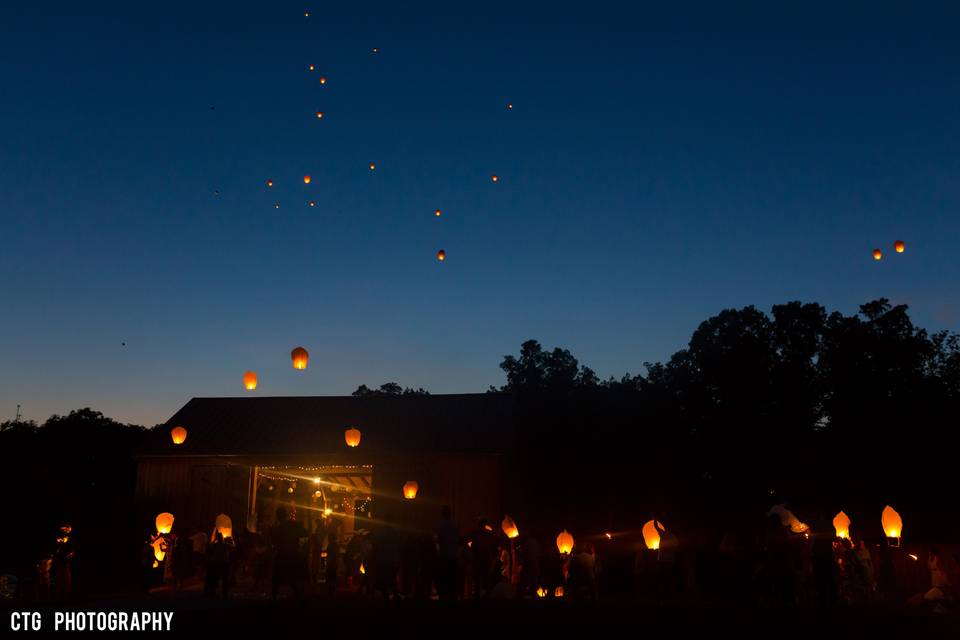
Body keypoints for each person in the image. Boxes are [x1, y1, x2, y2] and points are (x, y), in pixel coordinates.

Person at [270, 507, 306, 599]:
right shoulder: (293, 525)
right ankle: (298, 594)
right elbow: (304, 533)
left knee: (277, 578)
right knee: (291, 576)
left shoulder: (278, 528)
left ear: (278, 516)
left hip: (283, 554)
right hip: (293, 554)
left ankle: (275, 596)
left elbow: (274, 542)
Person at [434, 506, 459, 600]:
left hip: (443, 556)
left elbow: (438, 539)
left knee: (442, 581)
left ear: (442, 514)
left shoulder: (441, 525)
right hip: (453, 557)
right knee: (452, 582)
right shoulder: (455, 525)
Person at [204, 531, 231, 597]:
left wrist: (213, 540)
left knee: (215, 579)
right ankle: (224, 593)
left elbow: (208, 546)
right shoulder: (226, 545)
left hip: (216, 563)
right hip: (223, 563)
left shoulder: (214, 545)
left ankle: (213, 593)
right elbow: (234, 547)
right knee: (224, 579)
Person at [325, 530, 340, 597]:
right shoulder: (336, 544)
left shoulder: (332, 544)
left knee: (330, 576)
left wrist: (329, 561)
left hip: (331, 563)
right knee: (333, 576)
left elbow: (331, 554)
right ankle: (332, 590)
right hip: (334, 562)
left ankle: (330, 590)